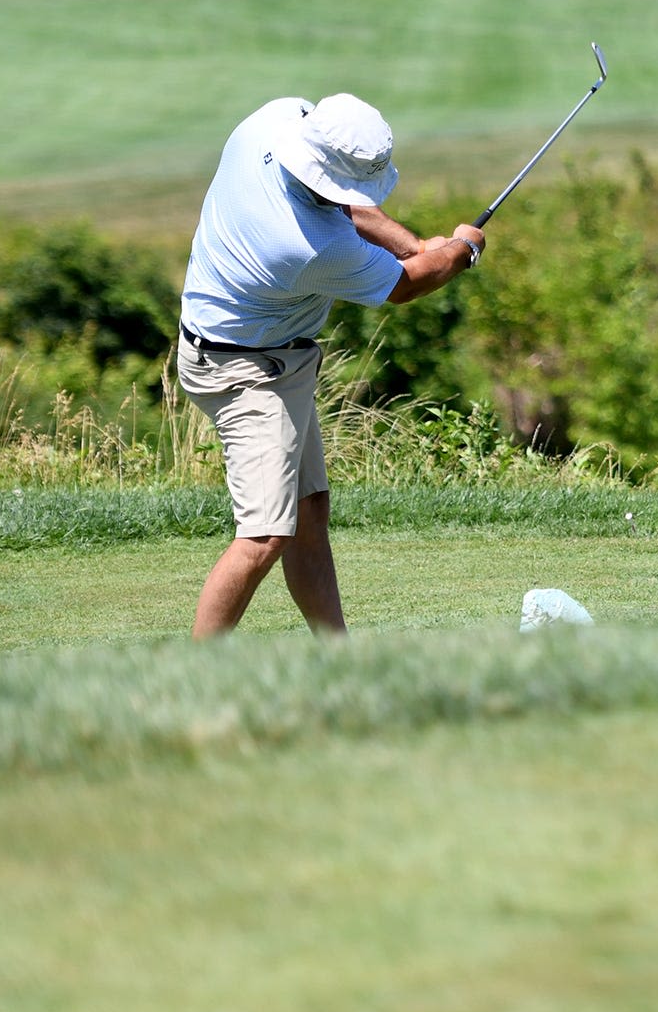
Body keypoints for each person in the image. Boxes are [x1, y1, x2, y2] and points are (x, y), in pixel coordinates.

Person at [178, 93, 485, 639]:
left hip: (264, 355)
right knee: (264, 536)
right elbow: (405, 285)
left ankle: (338, 658)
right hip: (243, 375)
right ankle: (192, 678)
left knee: (309, 510)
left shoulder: (270, 120)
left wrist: (416, 244)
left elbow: (344, 203)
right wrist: (459, 251)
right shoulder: (307, 247)